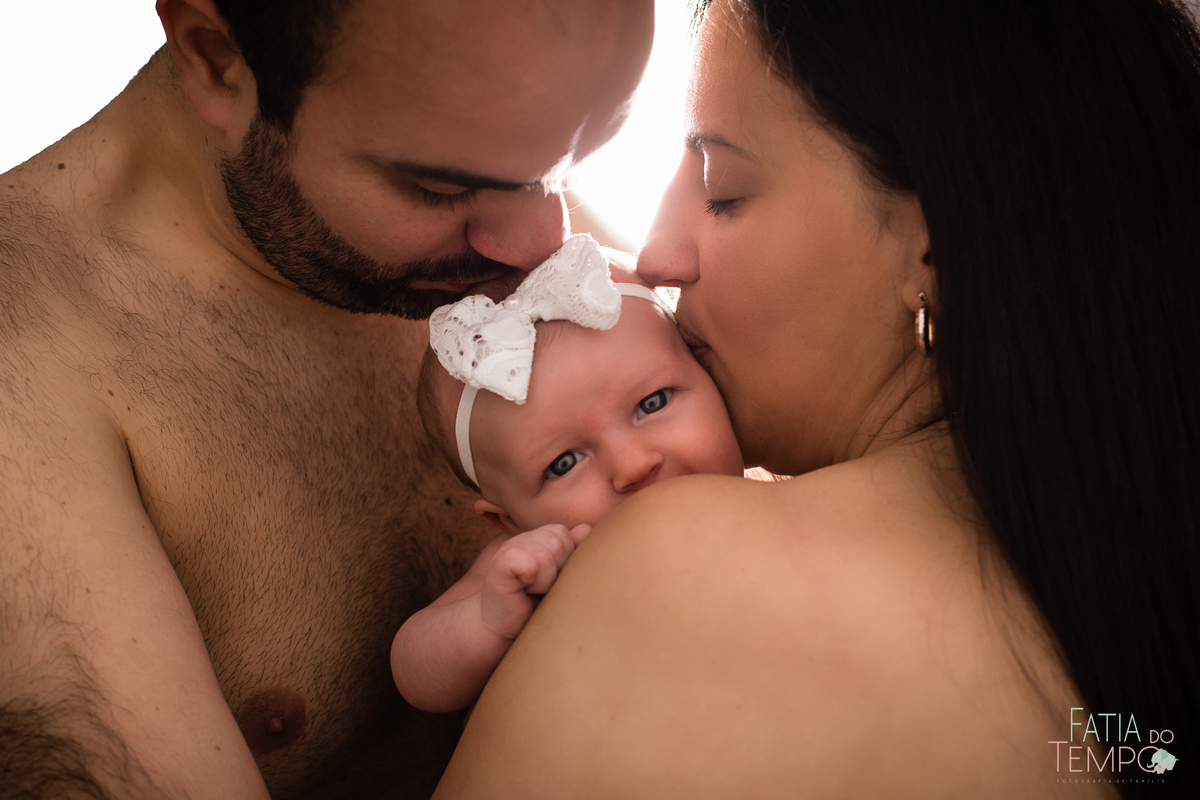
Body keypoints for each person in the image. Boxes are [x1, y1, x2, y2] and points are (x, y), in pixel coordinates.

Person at [432, 0, 1200, 797]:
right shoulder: (1127, 600)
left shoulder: (679, 565)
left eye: (721, 190)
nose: (656, 255)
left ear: (935, 250)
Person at [0, 0, 652, 797]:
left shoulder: (495, 142)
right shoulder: (23, 373)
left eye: (567, 165)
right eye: (438, 188)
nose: (546, 244)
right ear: (211, 56)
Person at [391, 235, 743, 712]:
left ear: (712, 378)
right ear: (509, 522)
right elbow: (416, 673)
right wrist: (489, 619)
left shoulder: (781, 500)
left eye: (652, 403)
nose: (633, 466)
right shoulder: (534, 567)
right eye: (563, 464)